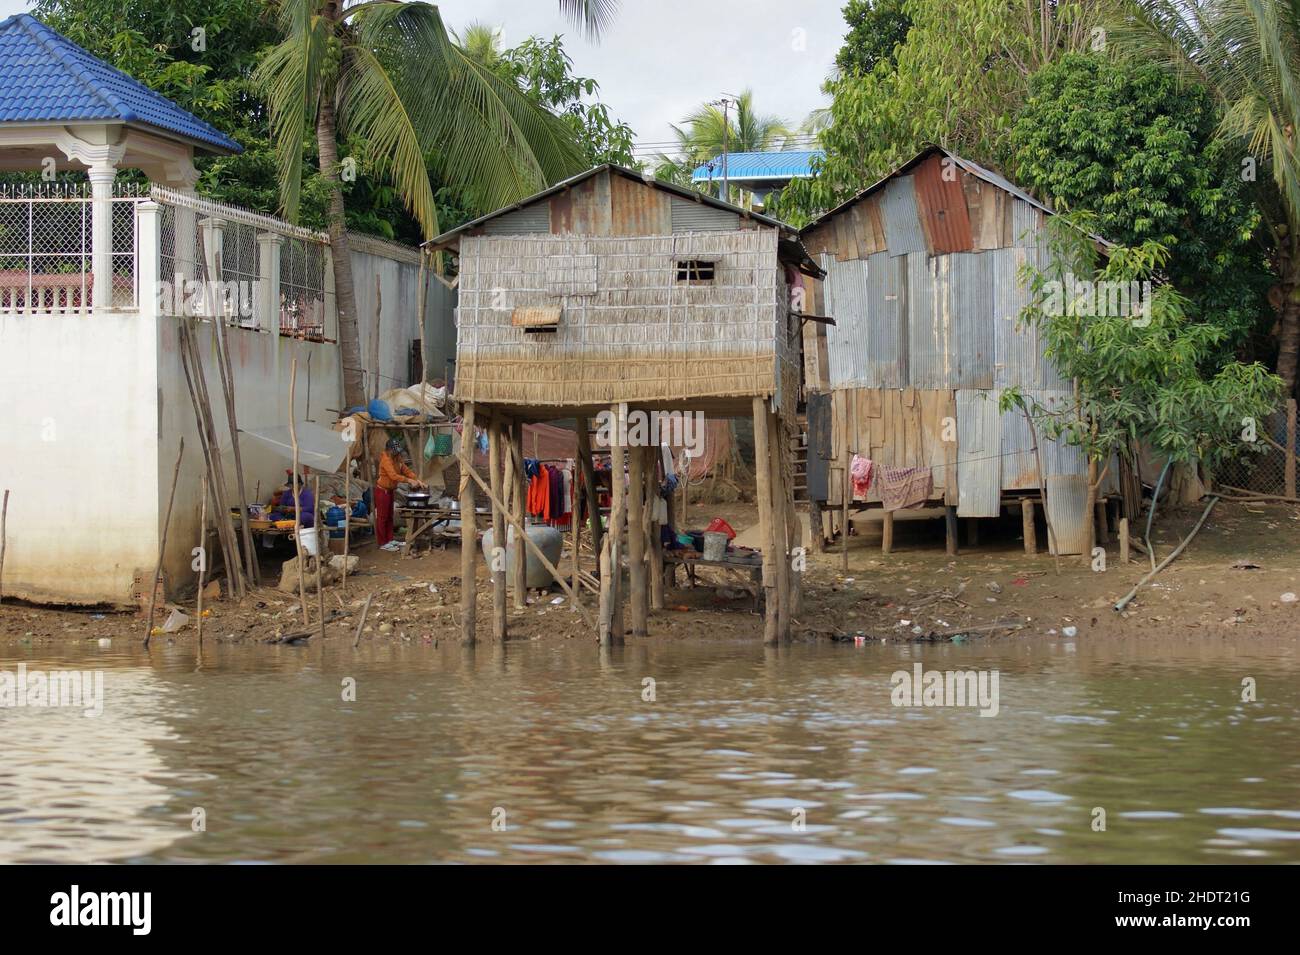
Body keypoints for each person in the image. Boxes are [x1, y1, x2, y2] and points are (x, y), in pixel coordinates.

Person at [376, 439, 426, 550]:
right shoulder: (386, 460)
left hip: (390, 491)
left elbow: (406, 470)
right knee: (382, 517)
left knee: (389, 516)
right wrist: (409, 481)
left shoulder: (397, 458)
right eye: (395, 451)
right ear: (389, 450)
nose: (397, 453)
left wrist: (417, 480)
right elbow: (393, 476)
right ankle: (382, 543)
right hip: (382, 491)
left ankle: (390, 539)